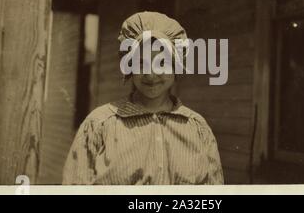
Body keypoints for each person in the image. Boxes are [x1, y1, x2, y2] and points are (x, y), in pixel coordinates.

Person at [63, 11, 223, 185]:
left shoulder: (198, 129)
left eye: (162, 63)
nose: (151, 74)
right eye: (141, 63)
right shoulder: (99, 126)